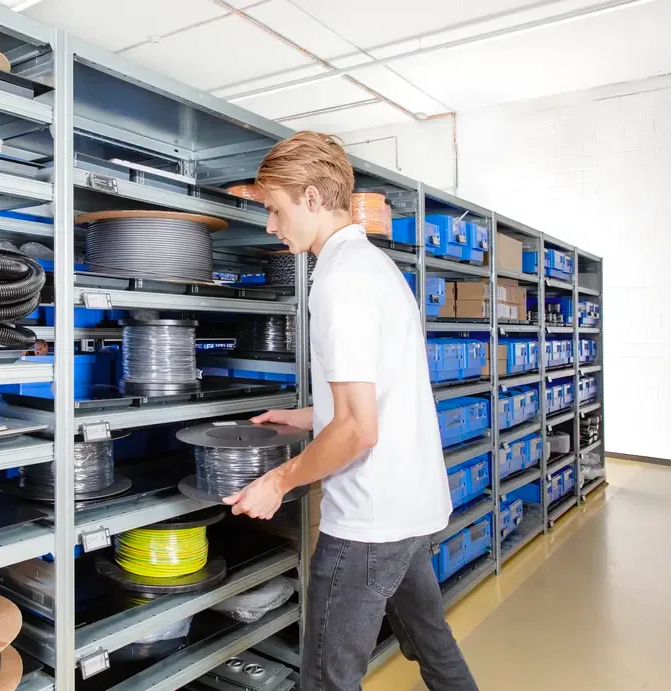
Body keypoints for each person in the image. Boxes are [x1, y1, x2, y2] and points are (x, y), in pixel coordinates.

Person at [222, 131, 478, 691]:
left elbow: (359, 429)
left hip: (368, 520)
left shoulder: (338, 282)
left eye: (274, 208)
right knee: (434, 647)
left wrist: (278, 482)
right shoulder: (377, 267)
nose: (270, 225)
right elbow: (376, 398)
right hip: (408, 506)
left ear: (312, 198)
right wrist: (307, 417)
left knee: (326, 680)